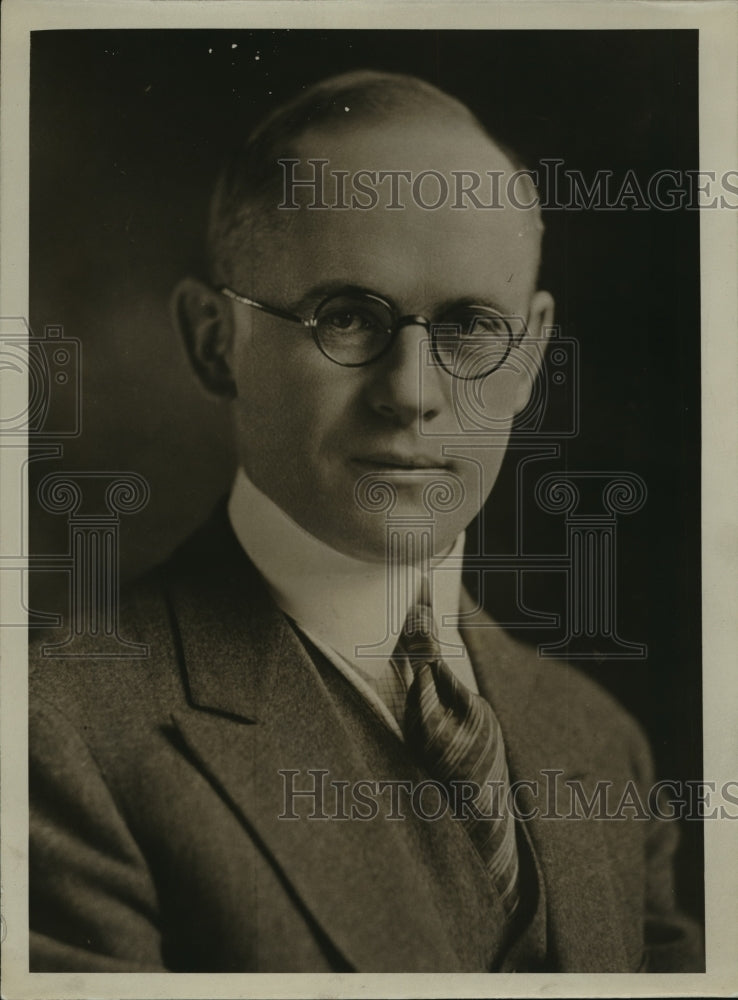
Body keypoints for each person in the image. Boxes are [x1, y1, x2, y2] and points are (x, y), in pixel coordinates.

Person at [29, 70, 704, 973]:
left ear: (532, 354)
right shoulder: (54, 734)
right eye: (345, 317)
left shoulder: (601, 743)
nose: (411, 393)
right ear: (214, 340)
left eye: (471, 326)